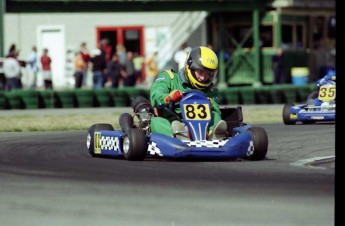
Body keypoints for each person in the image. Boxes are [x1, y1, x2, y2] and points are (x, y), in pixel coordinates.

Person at [149, 46, 227, 140]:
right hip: (174, 120)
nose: (203, 78)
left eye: (209, 74)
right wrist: (168, 98)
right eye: (201, 72)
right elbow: (155, 95)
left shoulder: (211, 90)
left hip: (203, 126)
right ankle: (179, 135)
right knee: (156, 122)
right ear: (190, 67)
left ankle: (214, 135)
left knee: (215, 114)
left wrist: (210, 104)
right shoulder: (170, 78)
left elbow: (216, 109)